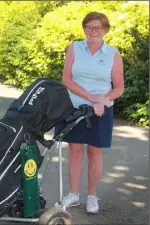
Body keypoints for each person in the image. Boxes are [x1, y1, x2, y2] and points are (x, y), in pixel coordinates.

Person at [54, 12, 124, 213]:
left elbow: (118, 88)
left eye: (97, 28)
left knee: (94, 152)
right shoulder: (74, 48)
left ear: (105, 30)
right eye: (88, 27)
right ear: (83, 29)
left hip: (100, 110)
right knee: (75, 151)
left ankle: (92, 197)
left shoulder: (113, 54)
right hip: (74, 107)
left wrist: (103, 99)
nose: (92, 31)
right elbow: (67, 80)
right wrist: (92, 98)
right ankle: (73, 195)